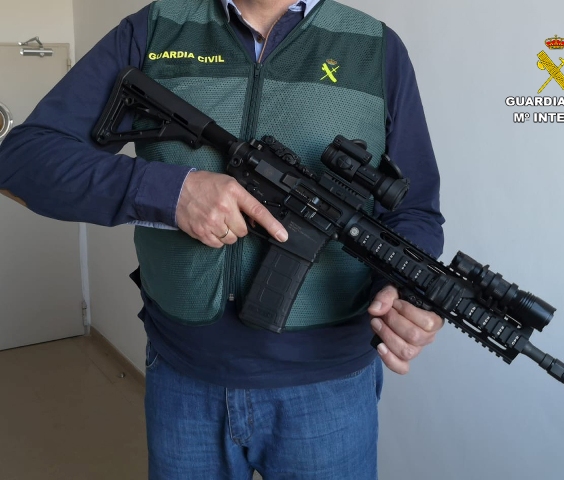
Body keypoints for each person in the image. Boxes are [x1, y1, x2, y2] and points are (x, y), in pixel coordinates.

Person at [0, 0, 445, 478]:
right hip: (184, 379)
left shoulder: (377, 48)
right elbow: (23, 158)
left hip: (330, 391)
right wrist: (172, 193)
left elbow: (414, 211)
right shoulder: (156, 28)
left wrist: (406, 291)